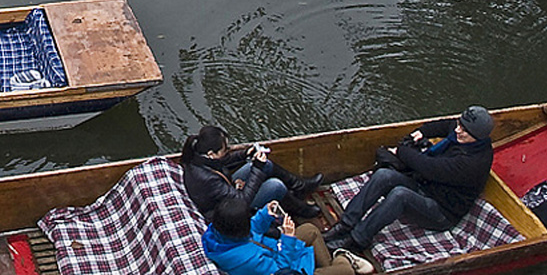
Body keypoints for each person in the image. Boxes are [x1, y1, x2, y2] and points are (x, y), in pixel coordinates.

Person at [324, 106, 495, 256]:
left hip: (442, 212)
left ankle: (357, 240)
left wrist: (401, 151)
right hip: (426, 188)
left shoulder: (471, 163)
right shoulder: (462, 134)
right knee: (384, 175)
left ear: (477, 137)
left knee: (400, 195)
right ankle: (346, 224)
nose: (458, 130)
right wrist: (423, 131)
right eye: (460, 125)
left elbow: (428, 167)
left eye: (464, 130)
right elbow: (446, 125)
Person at [182, 125, 324, 221]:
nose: (227, 152)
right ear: (211, 153)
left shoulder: (198, 156)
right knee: (276, 186)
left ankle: (300, 186)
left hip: (227, 191)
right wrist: (257, 168)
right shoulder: (207, 179)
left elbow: (223, 161)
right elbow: (242, 202)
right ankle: (301, 210)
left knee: (266, 165)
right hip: (227, 211)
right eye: (225, 150)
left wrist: (245, 154)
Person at [204, 195, 374, 275]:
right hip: (284, 268)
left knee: (310, 230)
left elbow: (252, 230)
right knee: (346, 271)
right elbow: (280, 270)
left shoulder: (217, 231)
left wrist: (265, 214)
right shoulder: (248, 260)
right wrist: (288, 239)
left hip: (272, 251)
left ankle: (330, 264)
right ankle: (341, 259)